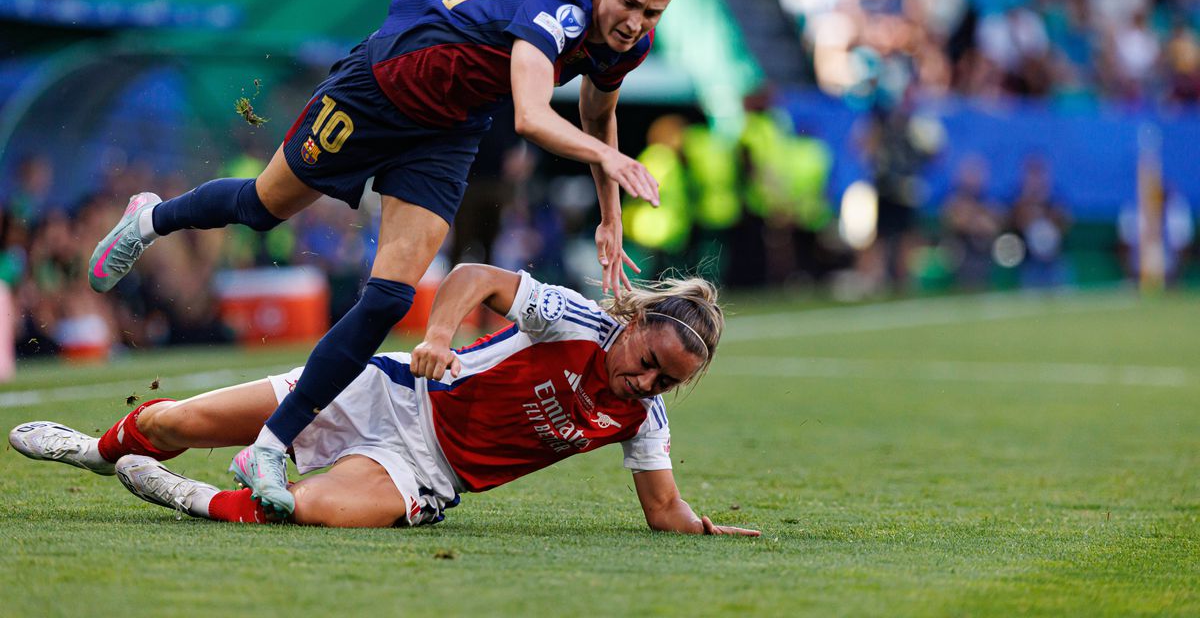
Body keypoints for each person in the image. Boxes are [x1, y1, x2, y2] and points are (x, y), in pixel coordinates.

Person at [82, 0, 718, 515]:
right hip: (385, 85)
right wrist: (612, 162)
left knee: (388, 298)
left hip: (447, 128)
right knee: (264, 206)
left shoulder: (629, 41)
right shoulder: (557, 6)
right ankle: (149, 218)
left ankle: (270, 443)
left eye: (652, 12)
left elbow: (599, 114)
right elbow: (534, 115)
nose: (635, 23)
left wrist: (611, 216)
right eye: (628, 4)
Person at [10, 263, 759, 537]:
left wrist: (701, 527)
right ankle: (94, 451)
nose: (648, 384)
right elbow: (472, 275)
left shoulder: (640, 417)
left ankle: (181, 494)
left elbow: (662, 509)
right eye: (651, 363)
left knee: (294, 509)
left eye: (668, 383)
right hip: (389, 392)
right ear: (635, 322)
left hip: (426, 473)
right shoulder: (573, 317)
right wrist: (438, 330)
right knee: (177, 419)